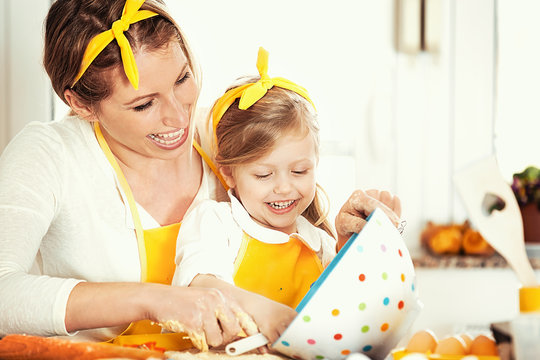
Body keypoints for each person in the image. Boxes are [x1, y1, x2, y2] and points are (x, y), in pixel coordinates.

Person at [0, 0, 402, 352]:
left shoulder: (224, 134)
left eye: (182, 78)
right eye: (143, 105)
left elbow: (290, 263)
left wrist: (350, 253)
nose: (178, 117)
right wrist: (157, 300)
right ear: (81, 104)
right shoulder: (50, 155)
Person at [173, 48, 338, 320]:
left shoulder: (320, 243)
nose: (284, 187)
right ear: (228, 174)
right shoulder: (216, 223)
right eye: (264, 175)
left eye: (299, 171)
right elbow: (200, 287)